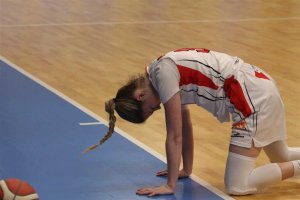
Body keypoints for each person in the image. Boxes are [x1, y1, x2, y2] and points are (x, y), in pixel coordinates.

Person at [84, 48, 300, 197]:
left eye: (151, 109)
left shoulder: (163, 75)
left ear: (140, 96)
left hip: (251, 98)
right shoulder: (159, 70)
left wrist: (169, 185)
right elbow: (185, 125)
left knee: (238, 185)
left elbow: (174, 136)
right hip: (259, 86)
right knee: (281, 156)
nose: (157, 108)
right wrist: (186, 169)